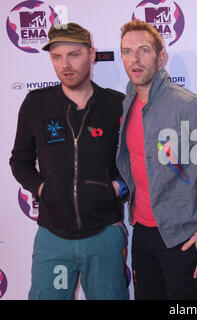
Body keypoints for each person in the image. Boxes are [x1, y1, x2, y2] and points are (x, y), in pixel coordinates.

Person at [116, 19, 197, 300]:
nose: (134, 59)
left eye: (143, 50)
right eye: (126, 51)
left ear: (161, 56)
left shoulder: (194, 106)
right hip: (143, 232)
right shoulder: (128, 102)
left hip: (184, 235)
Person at [9, 23, 128, 300]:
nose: (65, 64)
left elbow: (136, 162)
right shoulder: (36, 104)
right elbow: (20, 161)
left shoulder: (116, 104)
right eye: (57, 57)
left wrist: (118, 189)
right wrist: (41, 189)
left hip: (105, 235)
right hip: (53, 236)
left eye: (74, 54)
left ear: (92, 54)